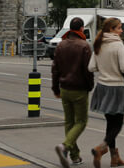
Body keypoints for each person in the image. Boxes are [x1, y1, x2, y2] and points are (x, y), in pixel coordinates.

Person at [88, 17, 124, 167]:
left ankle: (114, 158)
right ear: (111, 29)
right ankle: (101, 148)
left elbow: (91, 67)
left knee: (110, 123)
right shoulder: (118, 44)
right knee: (117, 124)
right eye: (119, 28)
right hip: (116, 87)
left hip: (102, 87)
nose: (121, 30)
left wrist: (104, 67)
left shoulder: (99, 42)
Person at [52, 16, 94, 168]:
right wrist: (90, 86)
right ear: (82, 29)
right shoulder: (84, 46)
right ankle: (65, 146)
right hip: (79, 89)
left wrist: (55, 89)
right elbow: (88, 71)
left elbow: (55, 70)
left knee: (69, 122)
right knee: (81, 122)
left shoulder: (61, 45)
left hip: (64, 88)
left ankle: (74, 157)